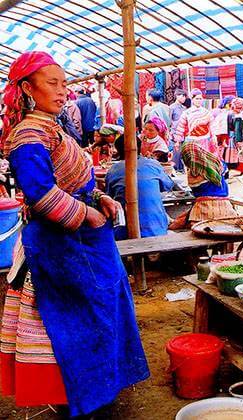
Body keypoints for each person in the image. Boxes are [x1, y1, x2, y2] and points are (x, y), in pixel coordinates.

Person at [0, 51, 148, 417]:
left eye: (64, 83)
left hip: (84, 242)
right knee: (74, 322)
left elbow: (78, 181)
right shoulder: (29, 136)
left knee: (101, 312)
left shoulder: (54, 127)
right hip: (60, 248)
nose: (62, 91)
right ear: (26, 89)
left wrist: (99, 197)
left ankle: (97, 389)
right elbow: (42, 195)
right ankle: (79, 398)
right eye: (52, 83)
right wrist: (88, 215)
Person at [105, 135, 174, 240]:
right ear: (140, 147)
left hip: (124, 233)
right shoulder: (153, 164)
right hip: (157, 229)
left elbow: (110, 196)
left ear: (118, 151)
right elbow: (168, 185)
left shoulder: (113, 171)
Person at [169, 141, 236, 229]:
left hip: (204, 209)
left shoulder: (194, 174)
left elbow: (198, 196)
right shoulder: (218, 163)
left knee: (176, 226)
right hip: (226, 207)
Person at [173, 88, 216, 155]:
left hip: (205, 141)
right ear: (192, 99)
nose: (199, 101)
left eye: (200, 99)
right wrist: (177, 141)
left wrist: (214, 136)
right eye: (196, 99)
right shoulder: (186, 113)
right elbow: (180, 128)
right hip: (191, 141)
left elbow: (212, 126)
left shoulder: (207, 112)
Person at [169, 89, 187, 171]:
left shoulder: (184, 108)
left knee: (182, 150)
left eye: (185, 96)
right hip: (175, 132)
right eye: (182, 96)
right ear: (177, 96)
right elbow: (169, 120)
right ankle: (176, 168)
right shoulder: (172, 107)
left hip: (183, 132)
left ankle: (180, 167)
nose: (184, 98)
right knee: (176, 150)